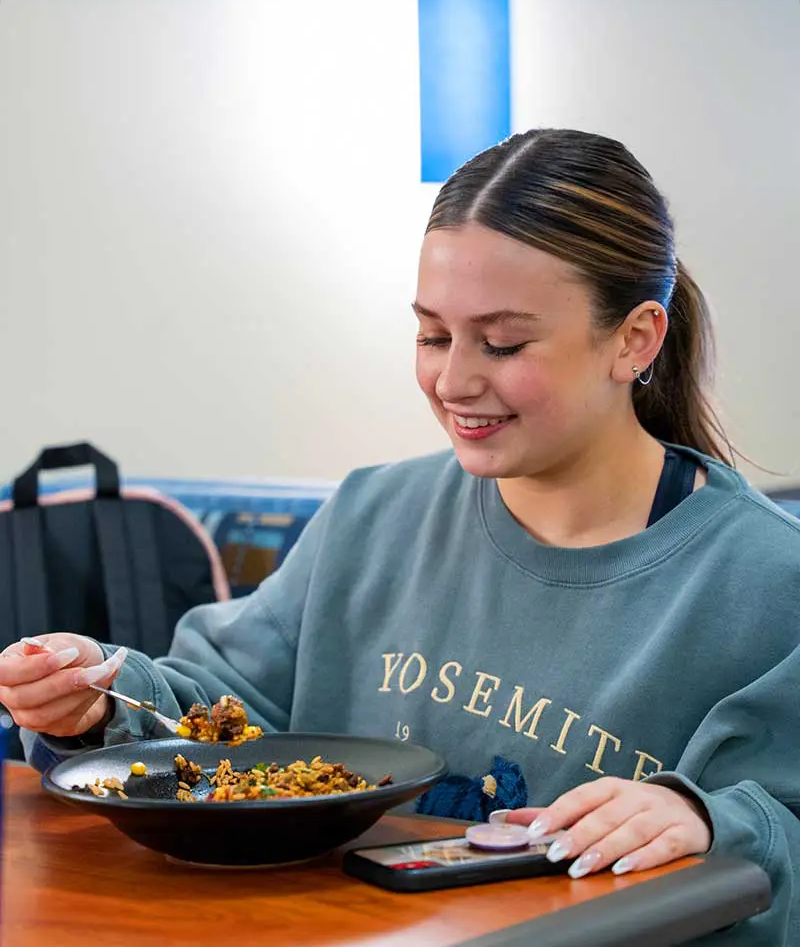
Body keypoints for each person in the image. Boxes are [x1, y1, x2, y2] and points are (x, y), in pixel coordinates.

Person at [2, 129, 798, 944]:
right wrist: (99, 704)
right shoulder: (370, 516)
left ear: (635, 339)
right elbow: (221, 721)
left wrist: (712, 822)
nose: (453, 381)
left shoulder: (771, 584)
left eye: (504, 342)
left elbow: (784, 830)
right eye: (432, 334)